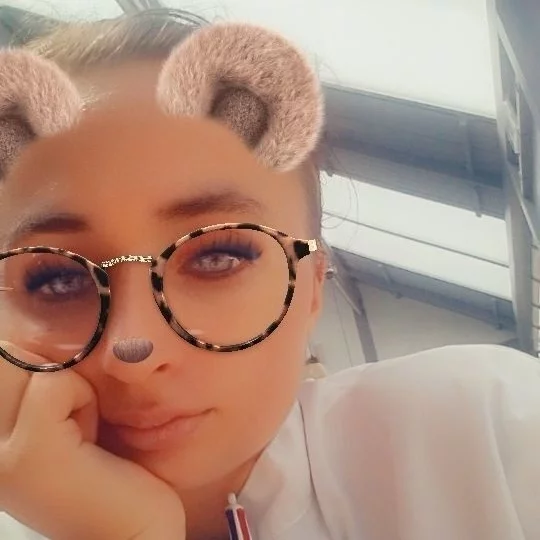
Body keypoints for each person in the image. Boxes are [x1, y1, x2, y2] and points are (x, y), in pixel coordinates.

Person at [0, 8, 538, 540]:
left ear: (313, 285)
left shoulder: (488, 432)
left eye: (217, 256)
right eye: (57, 279)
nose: (133, 352)